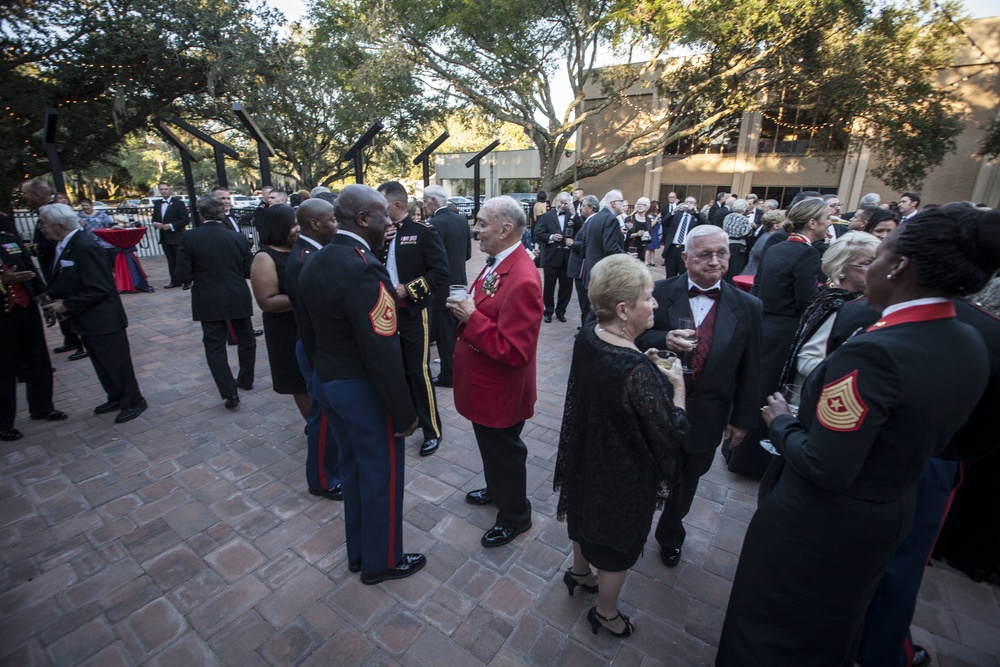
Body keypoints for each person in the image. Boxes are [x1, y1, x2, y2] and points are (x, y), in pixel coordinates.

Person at [716, 206, 1000, 666]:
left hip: (821, 522)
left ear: (899, 264)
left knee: (770, 630)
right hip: (888, 509)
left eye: (879, 252)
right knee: (831, 628)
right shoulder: (969, 339)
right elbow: (969, 444)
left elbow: (825, 464)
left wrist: (782, 422)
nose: (871, 263)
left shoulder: (875, 353)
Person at [554, 254, 687, 638]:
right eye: (649, 297)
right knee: (615, 548)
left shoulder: (589, 334)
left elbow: (606, 385)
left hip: (585, 454)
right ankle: (607, 613)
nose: (656, 304)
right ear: (624, 309)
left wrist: (641, 362)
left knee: (580, 515)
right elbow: (672, 429)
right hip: (620, 473)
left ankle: (580, 572)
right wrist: (676, 386)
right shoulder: (638, 371)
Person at [297, 184, 423, 585]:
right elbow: (382, 349)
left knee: (352, 471)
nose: (390, 221)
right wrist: (404, 413)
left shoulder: (318, 258)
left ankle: (359, 553)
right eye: (383, 214)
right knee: (380, 475)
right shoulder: (363, 266)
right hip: (361, 389)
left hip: (329, 381)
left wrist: (321, 375)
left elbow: (308, 331)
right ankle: (382, 561)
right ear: (364, 219)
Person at [635, 226, 762, 568]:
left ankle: (670, 534)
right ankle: (631, 529)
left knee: (686, 482)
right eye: (705, 254)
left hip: (706, 416)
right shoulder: (658, 292)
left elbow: (752, 369)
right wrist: (662, 338)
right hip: (653, 409)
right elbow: (631, 335)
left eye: (721, 253)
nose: (715, 261)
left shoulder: (748, 306)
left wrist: (741, 419)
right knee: (642, 475)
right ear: (686, 257)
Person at [447, 196, 543, 548]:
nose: (475, 229)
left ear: (505, 229)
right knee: (492, 449)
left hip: (499, 390)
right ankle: (497, 489)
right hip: (484, 384)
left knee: (505, 453)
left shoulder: (523, 279)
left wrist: (471, 318)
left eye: (482, 223)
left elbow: (516, 351)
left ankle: (516, 515)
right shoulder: (500, 261)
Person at [38, 204, 146, 424]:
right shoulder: (65, 245)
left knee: (116, 362)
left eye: (45, 224)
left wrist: (66, 304)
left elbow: (100, 287)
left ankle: (133, 400)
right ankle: (115, 396)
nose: (42, 229)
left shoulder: (85, 246)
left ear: (59, 225)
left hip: (103, 317)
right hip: (88, 318)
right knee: (100, 361)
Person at [377, 181, 449, 457]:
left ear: (397, 205)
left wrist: (409, 289)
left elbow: (440, 273)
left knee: (419, 373)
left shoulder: (422, 232)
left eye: (382, 205)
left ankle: (433, 430)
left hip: (413, 313)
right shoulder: (381, 234)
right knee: (397, 371)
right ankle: (409, 419)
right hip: (386, 313)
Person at [175, 196, 257, 409]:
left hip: (208, 297)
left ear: (201, 214)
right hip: (236, 293)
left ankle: (229, 392)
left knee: (214, 345)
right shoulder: (237, 238)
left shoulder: (190, 237)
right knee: (246, 339)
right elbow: (249, 270)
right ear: (221, 213)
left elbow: (183, 273)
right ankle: (246, 380)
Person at [285, 199, 342, 501]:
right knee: (322, 416)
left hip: (316, 345)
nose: (337, 223)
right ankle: (322, 479)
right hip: (315, 346)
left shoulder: (313, 253)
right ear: (315, 224)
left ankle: (332, 469)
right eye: (332, 219)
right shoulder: (307, 258)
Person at [779, 231, 879, 389]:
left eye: (878, 262)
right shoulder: (834, 305)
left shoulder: (858, 300)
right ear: (841, 268)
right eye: (866, 264)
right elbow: (807, 360)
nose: (876, 269)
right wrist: (857, 376)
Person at [0, 216, 66, 441]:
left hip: (25, 308)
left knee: (38, 359)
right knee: (5, 368)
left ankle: (42, 407)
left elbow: (31, 271)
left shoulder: (8, 239)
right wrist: (2, 280)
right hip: (3, 314)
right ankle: (4, 423)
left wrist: (47, 304)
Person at [250, 204, 308, 420]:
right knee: (298, 381)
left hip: (305, 325)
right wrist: (308, 297)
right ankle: (314, 426)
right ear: (279, 226)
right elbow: (267, 301)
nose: (298, 229)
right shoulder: (265, 257)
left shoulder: (299, 249)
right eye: (293, 225)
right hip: (285, 331)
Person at [424, 185, 471, 389]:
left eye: (425, 201)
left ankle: (448, 376)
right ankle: (458, 369)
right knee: (458, 330)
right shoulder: (461, 220)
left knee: (445, 336)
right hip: (459, 281)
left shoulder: (432, 224)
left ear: (434, 201)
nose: (424, 205)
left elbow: (430, 260)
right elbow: (468, 253)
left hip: (441, 286)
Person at [533, 192, 575, 323]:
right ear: (556, 202)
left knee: (566, 287)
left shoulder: (572, 216)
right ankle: (548, 311)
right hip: (551, 256)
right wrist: (551, 237)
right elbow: (538, 234)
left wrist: (574, 214)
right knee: (549, 287)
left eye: (566, 203)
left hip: (568, 257)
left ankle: (561, 311)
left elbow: (581, 231)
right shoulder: (546, 216)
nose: (563, 205)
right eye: (561, 202)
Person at [583, 190, 626, 290]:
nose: (623, 204)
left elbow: (584, 246)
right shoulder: (611, 219)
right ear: (613, 203)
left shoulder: (593, 218)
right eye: (621, 201)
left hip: (591, 271)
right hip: (604, 274)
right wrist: (626, 256)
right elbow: (610, 248)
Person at [151, 183, 191, 290]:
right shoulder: (157, 204)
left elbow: (185, 219)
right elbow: (154, 217)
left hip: (177, 236)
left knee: (181, 260)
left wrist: (171, 226)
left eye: (165, 189)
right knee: (170, 260)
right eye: (161, 189)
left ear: (170, 190)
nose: (164, 191)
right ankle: (175, 280)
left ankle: (187, 281)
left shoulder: (179, 203)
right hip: (164, 237)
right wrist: (155, 223)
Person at [567, 195, 599, 326]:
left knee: (585, 301)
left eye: (583, 205)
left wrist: (572, 243)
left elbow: (587, 245)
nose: (581, 208)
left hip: (583, 267)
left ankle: (586, 327)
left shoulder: (592, 222)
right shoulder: (588, 221)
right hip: (582, 267)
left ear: (591, 208)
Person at [660, 196, 705, 277]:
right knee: (670, 276)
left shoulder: (697, 217)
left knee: (684, 275)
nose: (689, 204)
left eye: (691, 203)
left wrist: (696, 212)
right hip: (672, 249)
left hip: (686, 250)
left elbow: (706, 224)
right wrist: (673, 211)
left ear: (696, 205)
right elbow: (664, 222)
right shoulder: (677, 215)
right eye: (687, 202)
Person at [741, 209, 785, 276]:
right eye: (785, 222)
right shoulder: (771, 239)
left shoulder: (766, 236)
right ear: (776, 226)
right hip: (753, 277)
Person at [721, 199, 752, 279]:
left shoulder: (728, 216)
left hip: (727, 243)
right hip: (738, 245)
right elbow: (746, 233)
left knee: (727, 265)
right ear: (744, 208)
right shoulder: (743, 219)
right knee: (735, 268)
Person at [624, 197, 653, 263]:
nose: (640, 206)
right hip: (631, 250)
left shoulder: (648, 220)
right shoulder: (629, 218)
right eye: (639, 204)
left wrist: (648, 237)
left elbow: (650, 237)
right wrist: (637, 234)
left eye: (643, 204)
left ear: (647, 207)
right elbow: (625, 235)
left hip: (642, 250)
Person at [645, 200, 662, 266]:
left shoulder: (656, 214)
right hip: (651, 232)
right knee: (649, 248)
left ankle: (652, 261)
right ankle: (646, 261)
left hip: (656, 232)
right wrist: (657, 218)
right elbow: (651, 224)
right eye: (656, 205)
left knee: (653, 248)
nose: (658, 206)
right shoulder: (649, 215)